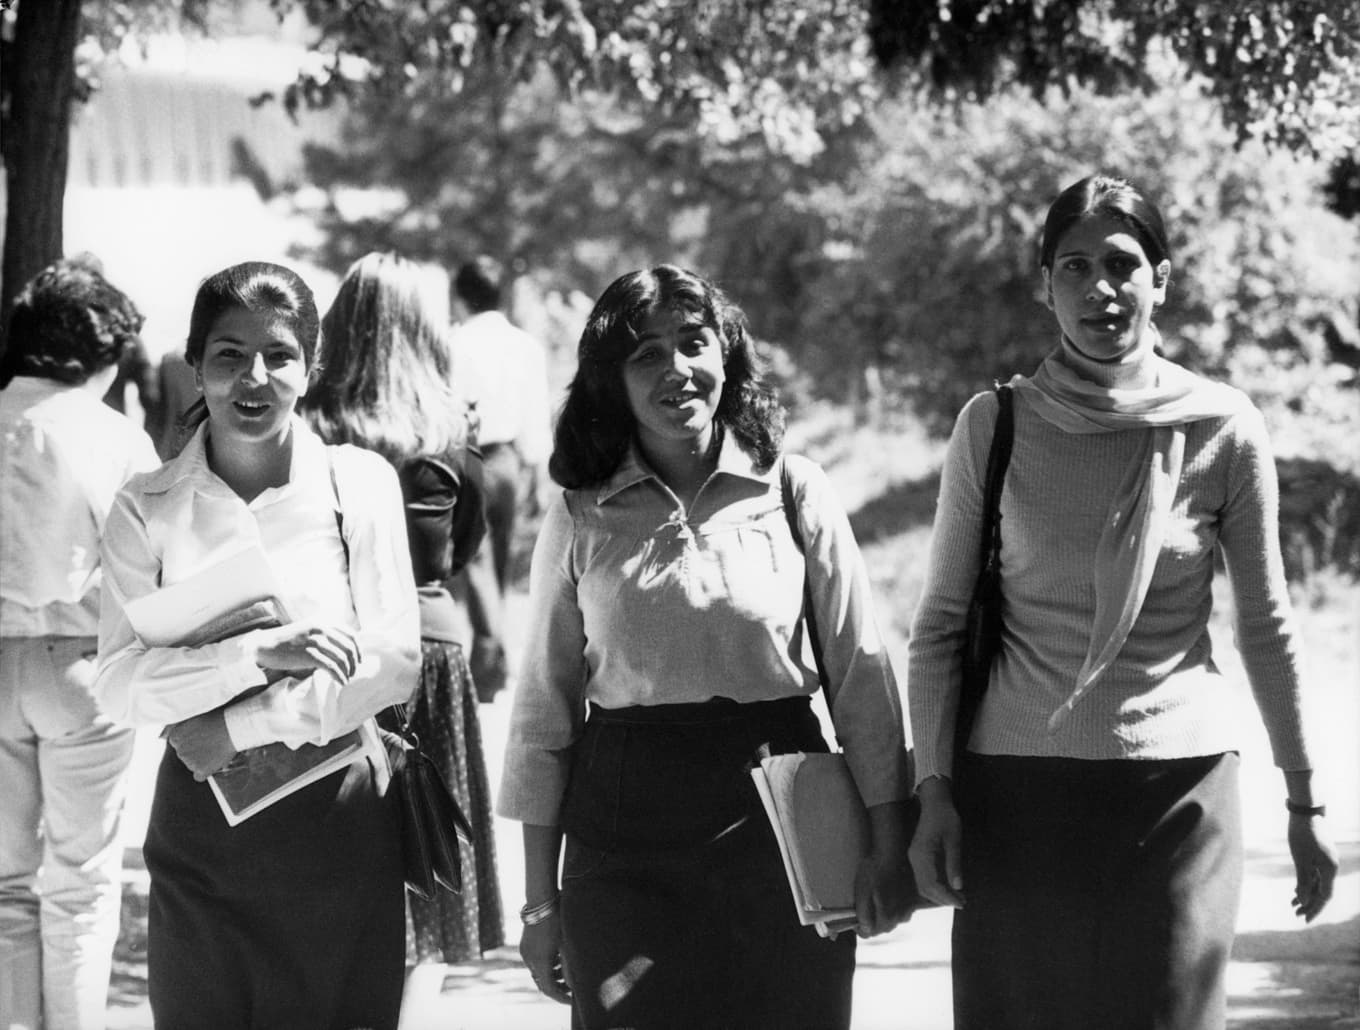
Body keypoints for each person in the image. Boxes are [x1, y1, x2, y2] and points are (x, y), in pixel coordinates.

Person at [906, 174, 1339, 1030]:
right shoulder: (994, 427)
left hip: (1178, 795)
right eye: (1075, 267)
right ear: (1045, 285)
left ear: (1162, 280)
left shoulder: (1223, 427)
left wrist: (1304, 802)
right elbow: (940, 630)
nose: (1100, 288)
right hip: (1020, 797)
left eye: (1122, 264)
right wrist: (935, 794)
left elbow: (1267, 626)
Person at [498, 264, 915, 1029]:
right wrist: (538, 905)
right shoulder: (581, 516)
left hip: (783, 822)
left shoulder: (795, 492)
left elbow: (861, 678)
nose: (677, 370)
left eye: (694, 343)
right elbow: (541, 717)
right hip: (623, 829)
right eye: (646, 354)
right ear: (610, 381)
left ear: (727, 356)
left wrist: (889, 845)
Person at [93, 261, 421, 1030]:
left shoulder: (358, 483)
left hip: (338, 823)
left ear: (310, 369)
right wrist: (254, 657)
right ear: (195, 367)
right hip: (200, 829)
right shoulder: (146, 507)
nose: (255, 376)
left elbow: (393, 662)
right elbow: (116, 682)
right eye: (230, 354)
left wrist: (235, 725)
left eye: (278, 355)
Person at [302, 251, 506, 965]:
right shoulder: (449, 443)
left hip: (322, 656)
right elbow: (467, 545)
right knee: (422, 888)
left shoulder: (303, 434)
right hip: (425, 657)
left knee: (319, 879)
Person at [0, 260, 159, 1030]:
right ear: (103, 355)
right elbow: (155, 564)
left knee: (3, 884)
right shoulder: (113, 437)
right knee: (81, 886)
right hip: (80, 666)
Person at [447, 256, 553, 698]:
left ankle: (487, 662)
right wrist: (538, 475)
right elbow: (536, 415)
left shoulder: (454, 342)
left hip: (470, 457)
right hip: (510, 459)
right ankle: (496, 659)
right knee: (502, 562)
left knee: (477, 561)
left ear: (461, 297)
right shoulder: (524, 345)